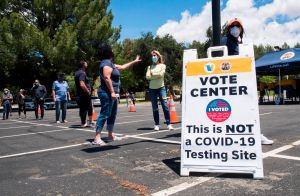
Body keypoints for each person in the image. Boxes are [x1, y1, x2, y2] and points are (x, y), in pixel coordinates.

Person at [222, 18, 273, 145]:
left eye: (237, 26)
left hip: (240, 81)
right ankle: (253, 135)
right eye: (233, 26)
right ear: (229, 28)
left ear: (241, 29)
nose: (235, 28)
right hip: (229, 82)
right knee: (240, 109)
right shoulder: (224, 40)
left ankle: (253, 134)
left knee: (244, 110)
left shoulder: (238, 43)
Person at [92, 43, 141, 145]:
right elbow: (106, 77)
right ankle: (97, 138)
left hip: (112, 93)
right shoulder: (105, 63)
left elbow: (123, 67)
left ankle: (110, 135)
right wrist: (112, 92)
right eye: (111, 49)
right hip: (107, 93)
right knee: (105, 114)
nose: (113, 50)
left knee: (112, 115)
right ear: (108, 51)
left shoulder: (110, 63)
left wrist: (134, 61)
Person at [146, 50, 174, 131]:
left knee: (165, 106)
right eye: (152, 56)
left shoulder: (163, 65)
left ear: (158, 56)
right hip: (152, 89)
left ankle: (169, 124)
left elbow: (161, 74)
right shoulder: (149, 67)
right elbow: (147, 77)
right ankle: (157, 124)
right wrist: (156, 75)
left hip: (161, 88)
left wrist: (153, 74)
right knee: (155, 108)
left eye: (155, 55)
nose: (153, 57)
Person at [74, 60, 94, 127]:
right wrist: (87, 91)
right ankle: (88, 123)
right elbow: (82, 84)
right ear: (83, 65)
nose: (87, 63)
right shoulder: (82, 73)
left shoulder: (77, 73)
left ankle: (85, 122)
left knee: (83, 108)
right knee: (88, 107)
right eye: (85, 63)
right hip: (85, 94)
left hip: (80, 94)